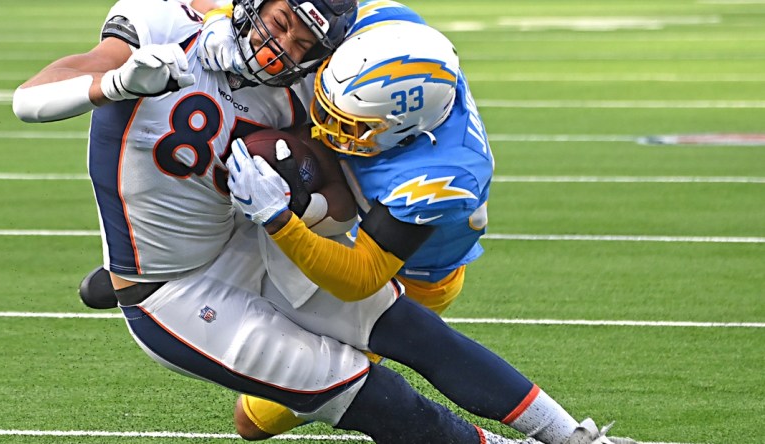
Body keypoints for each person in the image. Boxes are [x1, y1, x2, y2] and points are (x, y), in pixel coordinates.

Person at [10, 0, 559, 442]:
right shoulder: (165, 24)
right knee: (373, 395)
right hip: (170, 293)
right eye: (281, 23)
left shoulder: (310, 85)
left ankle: (576, 439)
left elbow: (341, 195)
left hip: (248, 241)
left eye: (304, 44)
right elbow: (28, 98)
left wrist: (294, 210)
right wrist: (117, 84)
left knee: (413, 331)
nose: (283, 50)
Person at [227, 18, 639, 444]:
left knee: (255, 419)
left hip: (413, 273)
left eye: (348, 126)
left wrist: (278, 218)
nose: (325, 128)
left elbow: (361, 277)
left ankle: (556, 438)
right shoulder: (385, 27)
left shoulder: (442, 176)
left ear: (404, 130)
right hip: (354, 221)